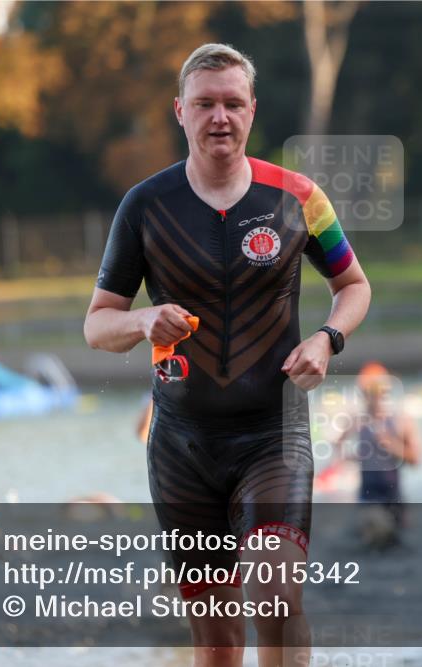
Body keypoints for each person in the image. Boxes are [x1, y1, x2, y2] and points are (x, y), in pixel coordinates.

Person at [83, 43, 370, 667]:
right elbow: (96, 326)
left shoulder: (298, 197)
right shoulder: (145, 206)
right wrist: (140, 318)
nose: (220, 117)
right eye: (205, 104)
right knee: (215, 640)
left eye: (233, 104)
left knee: (274, 592)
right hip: (182, 443)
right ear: (179, 112)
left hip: (273, 433)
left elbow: (354, 285)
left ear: (252, 110)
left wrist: (327, 339)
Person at [337, 362, 422, 540]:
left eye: (378, 392)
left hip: (393, 494)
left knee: (396, 538)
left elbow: (415, 459)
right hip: (368, 496)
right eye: (368, 393)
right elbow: (338, 446)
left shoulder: (401, 420)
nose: (373, 398)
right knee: (374, 530)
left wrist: (392, 445)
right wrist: (354, 457)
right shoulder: (357, 420)